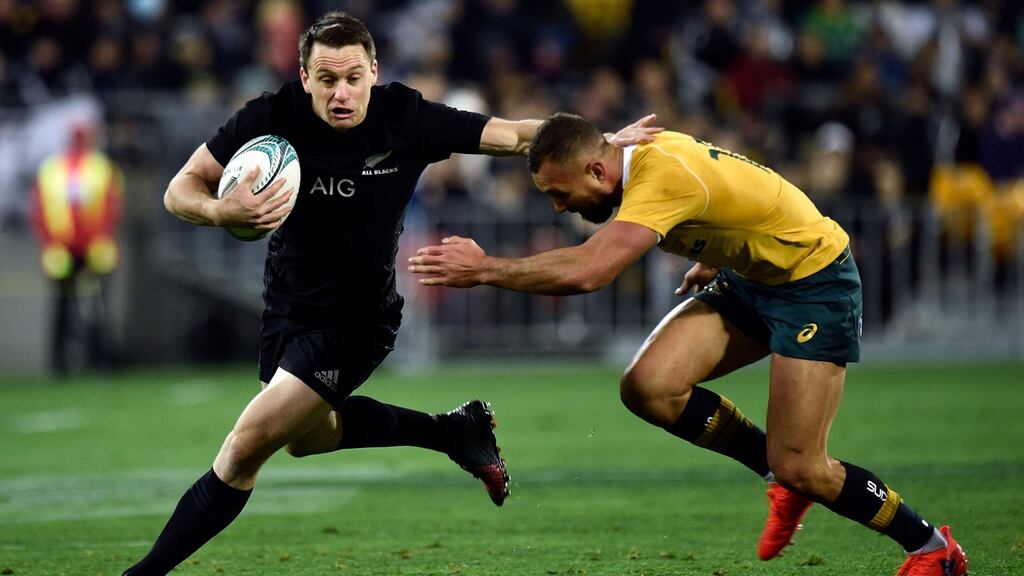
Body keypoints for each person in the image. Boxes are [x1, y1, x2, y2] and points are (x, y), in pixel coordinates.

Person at [122, 13, 659, 575]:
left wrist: (599, 144)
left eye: (353, 77)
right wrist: (218, 210)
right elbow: (180, 188)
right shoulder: (269, 118)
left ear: (373, 72)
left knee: (242, 450)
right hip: (287, 307)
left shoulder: (406, 117)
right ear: (304, 78)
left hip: (356, 320)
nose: (341, 93)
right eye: (326, 80)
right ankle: (453, 430)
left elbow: (515, 134)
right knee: (308, 440)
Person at [408, 112, 968, 576]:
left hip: (812, 284)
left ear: (598, 169)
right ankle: (777, 476)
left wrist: (484, 269)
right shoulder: (638, 156)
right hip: (750, 277)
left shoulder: (658, 176)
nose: (559, 207)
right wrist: (722, 243)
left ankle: (930, 548)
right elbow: (735, 183)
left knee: (806, 464)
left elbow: (590, 271)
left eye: (561, 193)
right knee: (650, 387)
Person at [29, 121, 123, 376]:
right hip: (74, 248)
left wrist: (49, 242)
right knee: (79, 305)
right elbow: (110, 206)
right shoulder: (99, 167)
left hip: (84, 248)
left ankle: (86, 361)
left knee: (81, 305)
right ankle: (75, 362)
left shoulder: (55, 167)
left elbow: (39, 210)